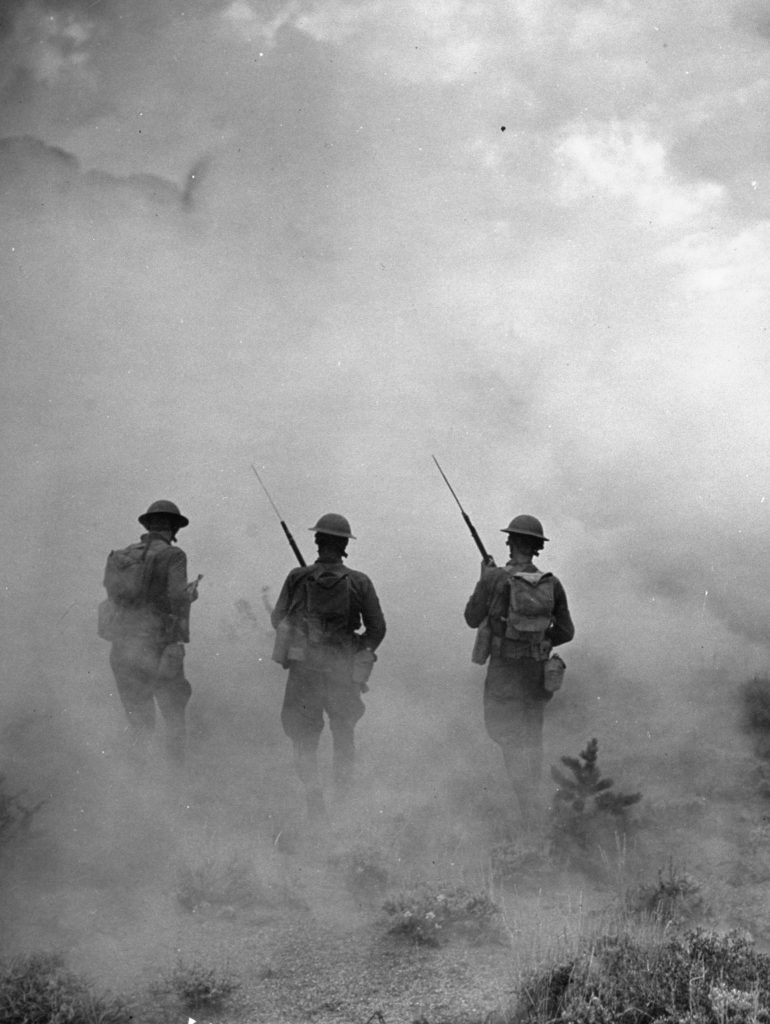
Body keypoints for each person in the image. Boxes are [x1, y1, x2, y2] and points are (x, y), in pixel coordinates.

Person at [271, 514, 386, 822]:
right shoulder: (359, 581)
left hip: (304, 670)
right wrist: (357, 648)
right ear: (345, 545)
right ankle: (343, 805)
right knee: (343, 734)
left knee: (304, 738)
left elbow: (277, 619)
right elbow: (377, 628)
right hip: (342, 670)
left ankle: (314, 802)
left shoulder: (297, 577)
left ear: (317, 541)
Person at [464, 514, 574, 829]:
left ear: (510, 542)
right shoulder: (552, 583)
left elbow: (472, 618)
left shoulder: (494, 579)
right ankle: (533, 808)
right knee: (532, 738)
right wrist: (540, 643)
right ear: (537, 548)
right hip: (536, 674)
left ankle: (526, 808)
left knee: (507, 736)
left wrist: (484, 577)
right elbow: (566, 631)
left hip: (504, 672)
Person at [104, 500, 199, 766]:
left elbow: (112, 594)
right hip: (159, 647)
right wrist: (191, 594)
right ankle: (175, 783)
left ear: (148, 525)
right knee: (173, 715)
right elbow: (177, 596)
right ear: (173, 527)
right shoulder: (174, 555)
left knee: (138, 722)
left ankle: (139, 787)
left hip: (123, 646)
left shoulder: (123, 556)